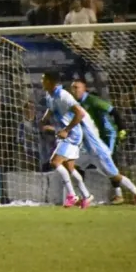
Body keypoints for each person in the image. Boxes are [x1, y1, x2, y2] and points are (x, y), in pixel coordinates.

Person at [70, 80, 136, 205]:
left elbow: (113, 111)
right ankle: (81, 197)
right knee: (76, 166)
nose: (74, 91)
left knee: (113, 172)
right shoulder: (77, 105)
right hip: (91, 144)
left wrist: (122, 128)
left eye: (76, 87)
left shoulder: (92, 101)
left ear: (84, 88)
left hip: (104, 140)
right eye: (72, 88)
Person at [39, 72, 91, 209]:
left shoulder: (63, 95)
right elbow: (51, 108)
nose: (41, 81)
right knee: (70, 168)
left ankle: (72, 196)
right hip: (64, 134)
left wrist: (67, 130)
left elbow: (80, 113)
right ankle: (86, 196)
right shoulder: (49, 94)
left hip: (71, 134)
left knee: (54, 162)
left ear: (50, 82)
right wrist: (44, 118)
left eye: (43, 79)